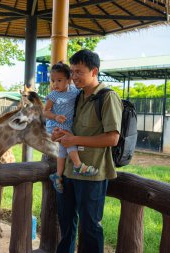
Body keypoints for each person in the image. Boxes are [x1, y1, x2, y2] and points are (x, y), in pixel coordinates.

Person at [54, 49, 123, 253]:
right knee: (66, 223)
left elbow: (113, 138)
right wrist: (62, 133)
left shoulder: (108, 97)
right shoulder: (78, 96)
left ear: (94, 71)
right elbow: (76, 130)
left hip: (92, 173)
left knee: (91, 226)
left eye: (79, 72)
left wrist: (74, 139)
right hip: (69, 171)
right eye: (72, 72)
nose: (74, 77)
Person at [44, 61, 98, 194]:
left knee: (62, 151)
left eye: (59, 80)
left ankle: (58, 175)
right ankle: (78, 165)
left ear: (69, 80)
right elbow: (45, 112)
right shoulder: (53, 95)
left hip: (67, 125)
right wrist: (55, 117)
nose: (55, 84)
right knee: (70, 142)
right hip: (55, 125)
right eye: (53, 81)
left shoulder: (75, 91)